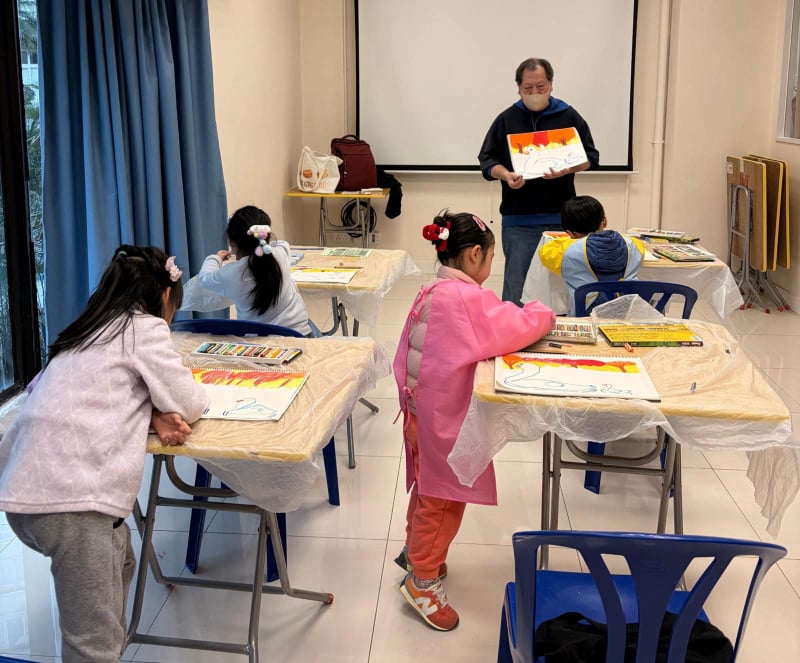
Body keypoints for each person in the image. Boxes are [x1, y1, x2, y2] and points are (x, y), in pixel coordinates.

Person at [0, 245, 209, 662]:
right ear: (165, 297)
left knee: (123, 561)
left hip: (24, 491)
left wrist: (150, 412)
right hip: (75, 503)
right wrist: (165, 407)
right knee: (91, 643)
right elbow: (188, 401)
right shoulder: (144, 329)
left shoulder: (84, 331)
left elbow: (74, 396)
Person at [393, 211, 555, 631]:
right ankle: (422, 582)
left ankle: (417, 553)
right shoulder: (468, 299)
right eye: (491, 258)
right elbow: (516, 327)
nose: (490, 265)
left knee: (427, 490)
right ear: (474, 255)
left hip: (419, 414)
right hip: (444, 422)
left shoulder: (432, 289)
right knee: (444, 500)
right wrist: (543, 312)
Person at [478, 57, 600, 306]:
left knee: (562, 287)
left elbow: (591, 158)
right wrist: (506, 175)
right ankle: (514, 329)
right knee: (517, 286)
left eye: (541, 87)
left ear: (551, 84)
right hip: (519, 218)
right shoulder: (507, 119)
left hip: (563, 218)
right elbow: (487, 160)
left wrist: (569, 168)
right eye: (528, 88)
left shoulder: (568, 115)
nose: (535, 92)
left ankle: (558, 327)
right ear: (519, 88)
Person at [196, 205, 314, 336]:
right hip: (299, 335)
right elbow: (281, 243)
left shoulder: (229, 274)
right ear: (267, 236)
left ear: (232, 242)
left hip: (258, 343)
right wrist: (262, 244)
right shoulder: (280, 254)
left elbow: (204, 279)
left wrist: (216, 258)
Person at [539, 195, 645, 315]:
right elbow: (639, 246)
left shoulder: (565, 251)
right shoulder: (632, 244)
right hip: (628, 313)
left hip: (587, 316)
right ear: (604, 221)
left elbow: (544, 252)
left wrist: (570, 239)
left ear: (569, 232)